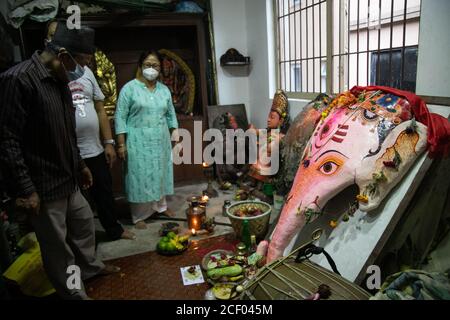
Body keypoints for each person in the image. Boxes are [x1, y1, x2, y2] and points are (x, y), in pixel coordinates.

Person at [0, 22, 119, 300]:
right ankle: (74, 294)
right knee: (58, 248)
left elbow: (67, 130)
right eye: (82, 62)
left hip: (69, 177)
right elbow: (7, 141)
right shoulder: (18, 80)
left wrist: (80, 165)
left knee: (84, 225)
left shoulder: (61, 78)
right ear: (64, 56)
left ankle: (89, 268)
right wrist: (26, 189)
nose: (83, 69)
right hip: (42, 183)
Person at [45, 20, 135, 241]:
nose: (84, 63)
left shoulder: (86, 73)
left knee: (104, 192)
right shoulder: (49, 73)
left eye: (87, 60)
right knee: (75, 202)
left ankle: (113, 230)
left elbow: (100, 108)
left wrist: (109, 142)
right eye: (51, 34)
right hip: (66, 152)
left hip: (93, 148)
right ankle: (81, 243)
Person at [115, 50, 179, 229]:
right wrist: (121, 144)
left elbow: (170, 114)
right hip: (137, 142)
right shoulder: (129, 88)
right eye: (148, 65)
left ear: (160, 68)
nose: (151, 68)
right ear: (140, 66)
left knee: (160, 174)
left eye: (155, 65)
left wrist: (175, 135)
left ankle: (161, 207)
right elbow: (120, 117)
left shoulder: (164, 90)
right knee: (139, 176)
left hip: (161, 141)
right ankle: (139, 215)